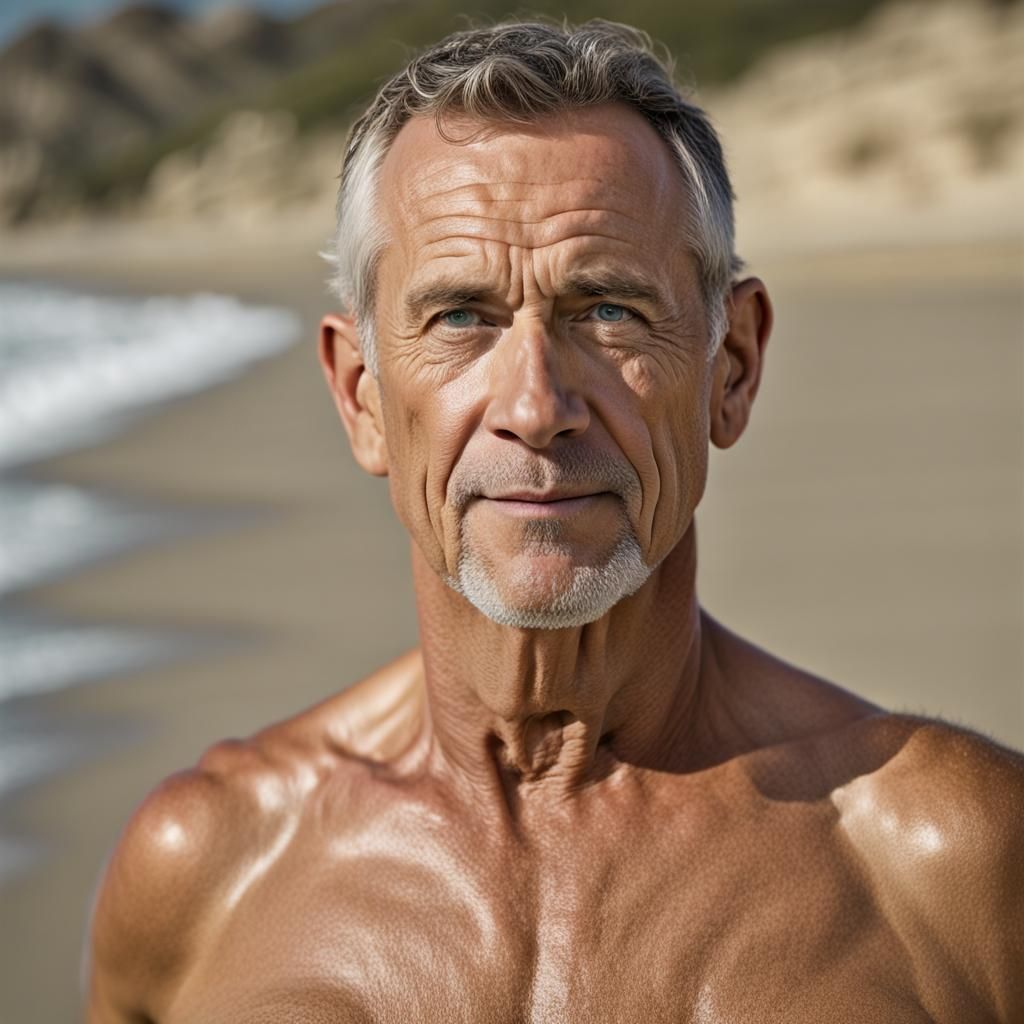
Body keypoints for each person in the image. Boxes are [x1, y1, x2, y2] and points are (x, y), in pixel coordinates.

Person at [86, 20, 1023, 1023]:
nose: (535, 406)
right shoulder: (207, 871)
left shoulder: (945, 866)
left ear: (732, 368)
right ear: (360, 395)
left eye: (609, 310)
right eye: (460, 317)